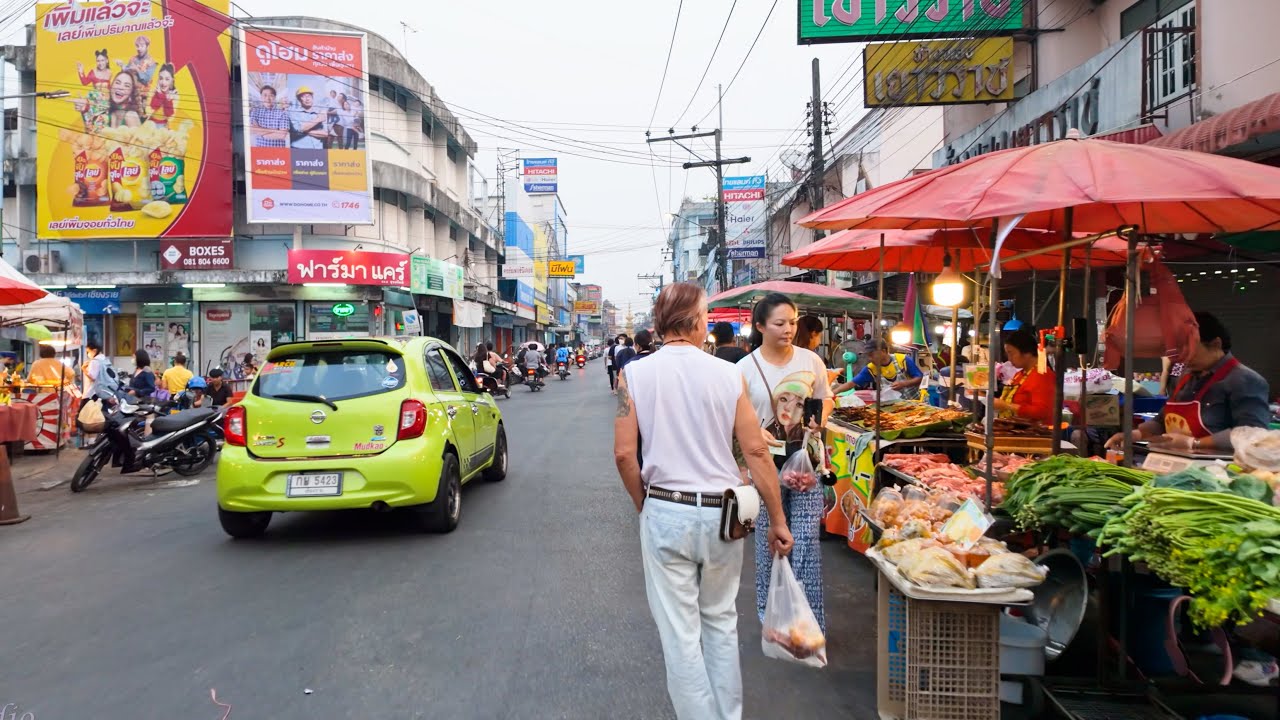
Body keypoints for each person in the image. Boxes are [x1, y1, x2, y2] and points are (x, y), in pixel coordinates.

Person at [614, 282, 792, 720]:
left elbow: (623, 454)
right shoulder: (728, 374)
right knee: (720, 621)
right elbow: (754, 451)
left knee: (680, 634)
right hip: (724, 514)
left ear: (660, 323)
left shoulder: (632, 375)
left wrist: (645, 504)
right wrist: (778, 519)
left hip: (665, 507)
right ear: (696, 323)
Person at [738, 292, 833, 634]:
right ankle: (771, 614)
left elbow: (825, 399)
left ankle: (808, 619)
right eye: (780, 323)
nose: (788, 329)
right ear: (760, 326)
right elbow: (736, 417)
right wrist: (751, 437)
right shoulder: (745, 369)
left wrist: (818, 420)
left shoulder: (811, 361)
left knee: (807, 539)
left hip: (806, 459)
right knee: (770, 543)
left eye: (792, 322)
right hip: (766, 464)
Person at [1107, 312, 1270, 454]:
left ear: (1215, 344)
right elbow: (1162, 420)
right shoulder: (1184, 377)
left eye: (1189, 349)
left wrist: (1194, 444)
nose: (1182, 357)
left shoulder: (1245, 380)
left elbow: (1254, 435)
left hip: (1220, 473)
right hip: (1177, 465)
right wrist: (1136, 435)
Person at [987, 328, 1056, 425]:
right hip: (1014, 431)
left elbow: (1042, 412)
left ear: (1027, 352)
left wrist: (1007, 406)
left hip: (1034, 435)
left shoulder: (1043, 375)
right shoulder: (1019, 375)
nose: (1009, 358)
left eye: (1011, 353)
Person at [837, 337, 925, 400]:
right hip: (895, 408)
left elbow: (920, 378)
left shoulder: (902, 360)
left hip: (915, 403)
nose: (870, 359)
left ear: (883, 351)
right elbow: (851, 384)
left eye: (872, 355)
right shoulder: (871, 368)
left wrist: (904, 383)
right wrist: (832, 392)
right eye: (868, 356)